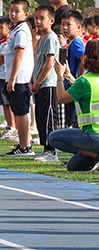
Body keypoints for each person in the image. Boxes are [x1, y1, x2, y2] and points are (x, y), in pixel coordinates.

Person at [47, 40, 99, 171]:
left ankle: (95, 155)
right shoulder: (85, 81)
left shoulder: (85, 81)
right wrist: (69, 75)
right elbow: (80, 88)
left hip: (93, 136)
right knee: (73, 166)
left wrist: (59, 76)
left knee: (53, 138)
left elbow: (62, 98)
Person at [5, 0, 36, 157]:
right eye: (11, 10)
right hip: (16, 77)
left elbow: (19, 55)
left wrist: (12, 78)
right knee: (18, 112)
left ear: (25, 14)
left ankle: (26, 146)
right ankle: (23, 144)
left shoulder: (22, 31)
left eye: (17, 11)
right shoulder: (16, 29)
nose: (13, 14)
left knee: (21, 112)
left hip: (20, 78)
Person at [31, 4, 62, 162]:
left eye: (42, 18)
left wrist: (37, 82)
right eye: (36, 18)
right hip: (40, 85)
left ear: (51, 20)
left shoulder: (50, 37)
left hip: (48, 84)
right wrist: (33, 81)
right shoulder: (41, 38)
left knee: (49, 117)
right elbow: (37, 63)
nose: (38, 21)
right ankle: (45, 148)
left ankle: (52, 150)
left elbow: (49, 64)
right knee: (40, 117)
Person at [60, 9, 86, 128]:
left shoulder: (76, 42)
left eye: (69, 24)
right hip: (72, 86)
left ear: (78, 27)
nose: (65, 27)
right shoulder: (71, 42)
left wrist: (78, 78)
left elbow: (84, 59)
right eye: (63, 24)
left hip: (73, 87)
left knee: (73, 123)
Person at [0, 17, 16, 141]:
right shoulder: (0, 43)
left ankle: (12, 127)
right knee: (4, 104)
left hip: (5, 75)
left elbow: (0, 60)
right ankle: (8, 125)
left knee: (8, 104)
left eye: (2, 28)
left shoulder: (7, 43)